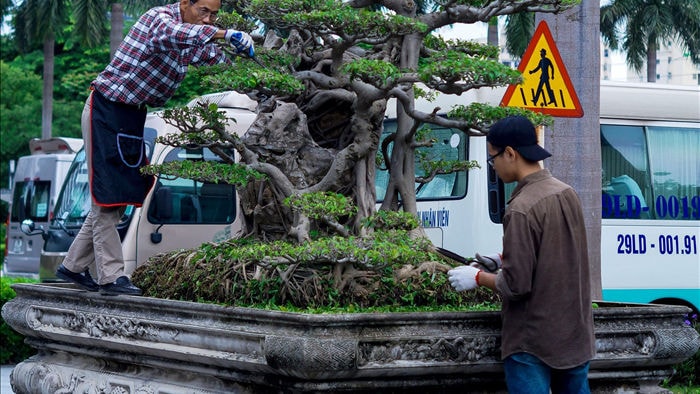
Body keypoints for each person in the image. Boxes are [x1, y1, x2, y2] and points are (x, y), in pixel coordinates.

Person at [55, 0, 254, 296]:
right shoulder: (159, 20)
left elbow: (213, 59)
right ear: (186, 3)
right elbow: (174, 35)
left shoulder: (196, 33)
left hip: (133, 114)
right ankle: (111, 277)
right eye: (204, 11)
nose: (209, 19)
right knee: (108, 195)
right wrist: (225, 34)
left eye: (214, 14)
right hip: (106, 108)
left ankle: (71, 266)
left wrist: (246, 52)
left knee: (119, 196)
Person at [448, 115, 595, 393]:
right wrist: (504, 258)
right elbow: (557, 250)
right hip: (575, 335)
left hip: (532, 342)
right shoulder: (567, 193)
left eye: (493, 159)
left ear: (511, 153)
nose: (494, 167)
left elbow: (516, 285)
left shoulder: (521, 208)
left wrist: (477, 277)